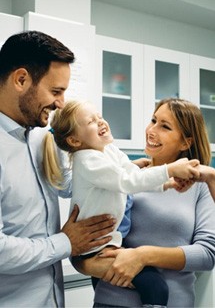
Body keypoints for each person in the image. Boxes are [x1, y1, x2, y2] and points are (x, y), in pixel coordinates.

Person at [42, 99, 200, 307]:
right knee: (155, 286)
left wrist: (165, 184)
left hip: (110, 243)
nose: (101, 122)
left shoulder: (107, 150)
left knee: (152, 285)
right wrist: (168, 171)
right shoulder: (88, 160)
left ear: (186, 142)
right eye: (91, 121)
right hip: (95, 248)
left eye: (99, 116)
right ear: (74, 141)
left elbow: (129, 173)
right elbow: (127, 181)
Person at [0, 30, 116, 307]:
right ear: (21, 79)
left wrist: (121, 173)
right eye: (56, 91)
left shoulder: (42, 136)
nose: (61, 103)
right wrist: (65, 243)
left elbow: (65, 184)